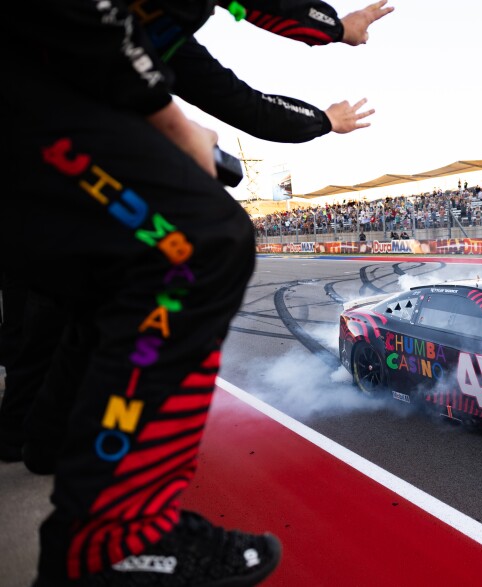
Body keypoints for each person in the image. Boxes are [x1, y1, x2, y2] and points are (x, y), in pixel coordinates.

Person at [1, 1, 393, 586]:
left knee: (114, 270)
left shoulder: (165, 36)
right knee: (197, 243)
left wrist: (331, 44)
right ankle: (111, 536)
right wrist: (169, 121)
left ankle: (52, 448)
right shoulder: (128, 35)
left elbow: (244, 94)